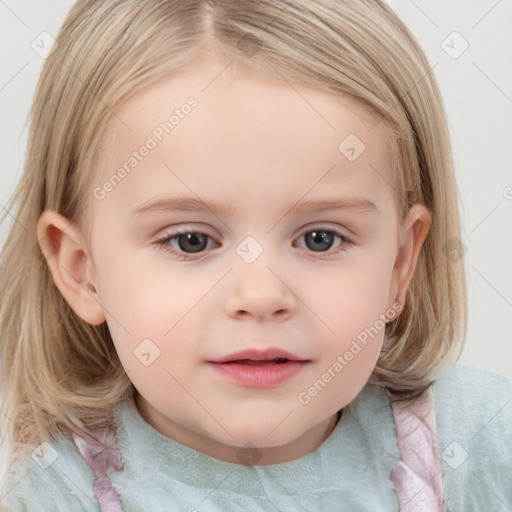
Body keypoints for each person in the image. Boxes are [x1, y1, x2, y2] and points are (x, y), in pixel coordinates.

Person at [1, 0, 511, 510]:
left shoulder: (478, 438)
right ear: (82, 272)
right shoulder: (55, 490)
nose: (261, 295)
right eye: (190, 241)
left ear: (399, 265)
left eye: (320, 239)